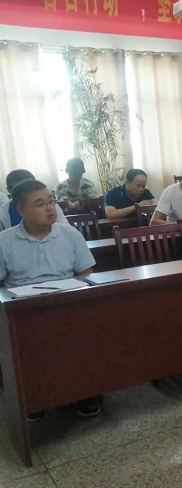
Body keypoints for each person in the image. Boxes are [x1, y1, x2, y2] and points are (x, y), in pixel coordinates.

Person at [0, 179, 102, 418]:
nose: (50, 208)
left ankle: (83, 392)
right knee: (28, 346)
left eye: (51, 201)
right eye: (40, 204)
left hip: (66, 304)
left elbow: (86, 275)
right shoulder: (4, 241)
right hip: (23, 310)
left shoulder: (70, 234)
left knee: (83, 335)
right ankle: (35, 397)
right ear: (21, 210)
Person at [0, 170, 67, 231]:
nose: (27, 194)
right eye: (19, 191)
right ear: (8, 190)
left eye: (31, 189)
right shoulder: (2, 213)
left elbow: (65, 229)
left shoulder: (49, 205)